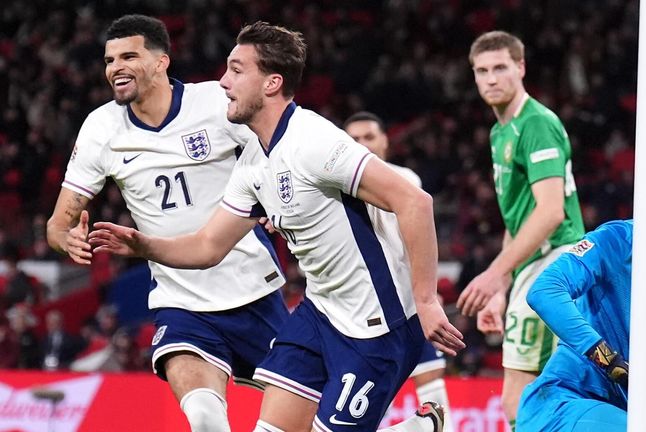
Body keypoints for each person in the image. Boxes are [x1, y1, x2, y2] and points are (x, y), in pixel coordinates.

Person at [89, 21, 465, 432]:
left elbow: (414, 201)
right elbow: (207, 246)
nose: (223, 82)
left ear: (271, 83)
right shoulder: (252, 161)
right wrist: (144, 246)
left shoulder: (315, 142)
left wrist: (427, 301)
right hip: (319, 313)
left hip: (379, 326)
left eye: (236, 70)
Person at [45, 15, 289, 432]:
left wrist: (275, 201)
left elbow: (278, 156)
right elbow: (57, 223)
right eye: (108, 60)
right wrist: (68, 239)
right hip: (182, 302)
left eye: (128, 56)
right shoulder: (101, 128)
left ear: (161, 62)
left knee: (313, 422)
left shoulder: (215, 101)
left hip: (253, 291)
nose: (115, 67)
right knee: (205, 419)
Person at [516, 141, 646, 431]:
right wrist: (605, 358)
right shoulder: (618, 239)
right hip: (564, 400)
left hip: (630, 414)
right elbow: (545, 290)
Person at [457, 30, 585, 429]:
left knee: (521, 399)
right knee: (532, 399)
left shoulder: (536, 124)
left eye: (500, 68)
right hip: (536, 267)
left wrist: (493, 274)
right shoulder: (501, 132)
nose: (491, 78)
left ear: (521, 68)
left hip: (555, 263)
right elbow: (520, 220)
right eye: (482, 71)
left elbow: (549, 213)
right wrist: (502, 286)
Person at [343, 111, 455, 432]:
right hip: (358, 311)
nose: (362, 145)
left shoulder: (405, 180)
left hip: (408, 304)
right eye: (353, 140)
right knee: (362, 408)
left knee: (433, 387)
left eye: (368, 137)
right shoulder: (330, 187)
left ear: (385, 141)